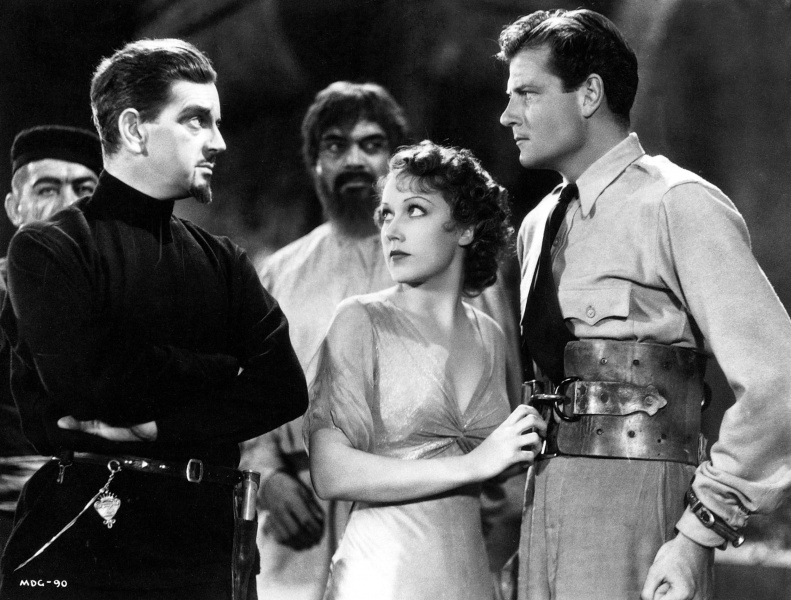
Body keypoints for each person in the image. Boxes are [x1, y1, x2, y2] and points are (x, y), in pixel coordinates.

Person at [497, 9, 791, 600]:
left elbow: (778, 382)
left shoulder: (677, 204)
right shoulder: (538, 225)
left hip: (641, 503)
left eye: (527, 93)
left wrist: (701, 530)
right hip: (544, 500)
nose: (508, 115)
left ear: (590, 95)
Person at [0, 39, 308, 600]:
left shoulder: (223, 259)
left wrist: (158, 427)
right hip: (89, 538)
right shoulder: (49, 247)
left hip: (207, 545)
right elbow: (87, 383)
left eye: (217, 122)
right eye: (196, 120)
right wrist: (221, 368)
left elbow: (285, 390)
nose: (218, 141)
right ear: (134, 129)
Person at [240, 82, 524, 600]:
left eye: (371, 145)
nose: (353, 159)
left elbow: (501, 422)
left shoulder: (465, 287)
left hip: (439, 533)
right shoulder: (278, 273)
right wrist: (266, 479)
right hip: (299, 525)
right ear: (314, 163)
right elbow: (248, 396)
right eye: (335, 146)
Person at [304, 140, 544, 600]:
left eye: (415, 210)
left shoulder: (491, 336)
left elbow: (504, 484)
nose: (392, 231)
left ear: (466, 227)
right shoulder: (359, 320)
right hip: (378, 581)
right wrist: (473, 464)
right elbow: (331, 471)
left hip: (470, 582)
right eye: (386, 215)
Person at [0, 125, 102, 551]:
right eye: (46, 189)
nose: (68, 204)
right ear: (14, 207)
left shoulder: (138, 295)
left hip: (108, 526)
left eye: (85, 189)